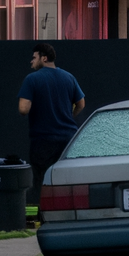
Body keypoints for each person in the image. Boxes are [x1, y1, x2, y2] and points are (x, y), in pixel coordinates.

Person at [18, 43, 86, 201]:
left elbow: (23, 109)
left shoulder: (32, 79)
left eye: (34, 58)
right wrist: (68, 116)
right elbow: (81, 104)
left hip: (43, 140)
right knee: (67, 180)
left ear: (44, 58)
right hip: (68, 140)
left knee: (42, 180)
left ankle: (42, 217)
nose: (31, 61)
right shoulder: (69, 77)